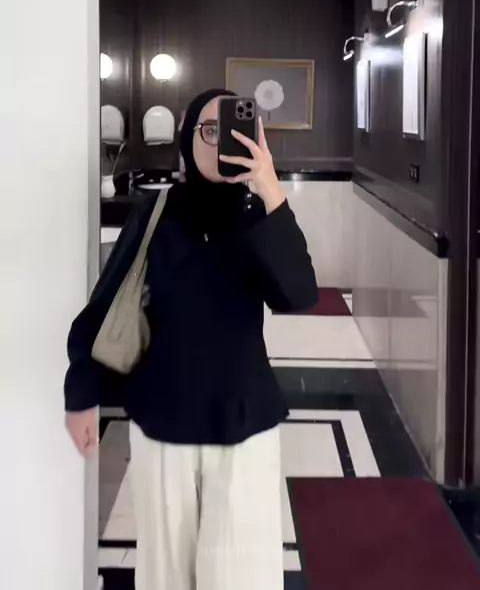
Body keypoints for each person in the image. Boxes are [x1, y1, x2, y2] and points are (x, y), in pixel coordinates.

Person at [64, 88, 317, 590]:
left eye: (232, 129)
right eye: (208, 129)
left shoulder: (258, 217)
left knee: (242, 573)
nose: (219, 141)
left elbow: (298, 294)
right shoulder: (155, 213)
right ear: (186, 137)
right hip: (164, 421)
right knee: (166, 573)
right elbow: (106, 304)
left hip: (244, 421)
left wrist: (269, 186)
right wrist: (81, 396)